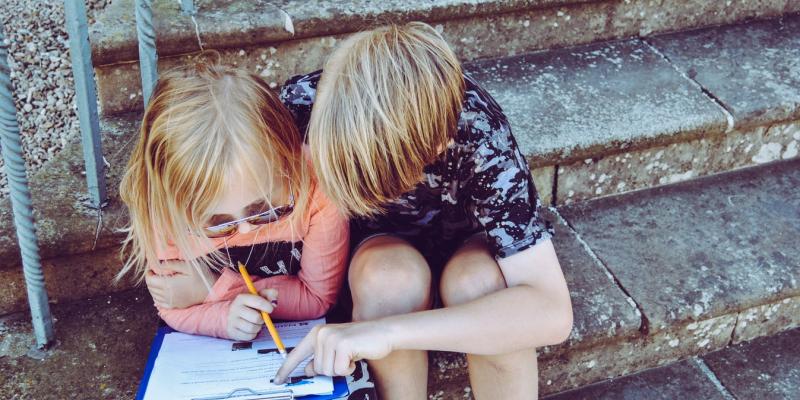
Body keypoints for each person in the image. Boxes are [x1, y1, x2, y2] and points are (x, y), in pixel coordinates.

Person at [274, 22, 573, 399]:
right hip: (376, 256)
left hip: (467, 243)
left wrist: (389, 332)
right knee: (388, 279)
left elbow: (551, 311)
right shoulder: (303, 105)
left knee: (478, 282)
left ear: (437, 146)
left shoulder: (476, 130)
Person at [118, 62, 349, 341]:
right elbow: (172, 306)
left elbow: (317, 298)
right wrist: (224, 318)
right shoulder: (164, 212)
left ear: (290, 162)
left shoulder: (317, 188)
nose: (246, 231)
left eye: (264, 209)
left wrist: (212, 289)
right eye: (217, 223)